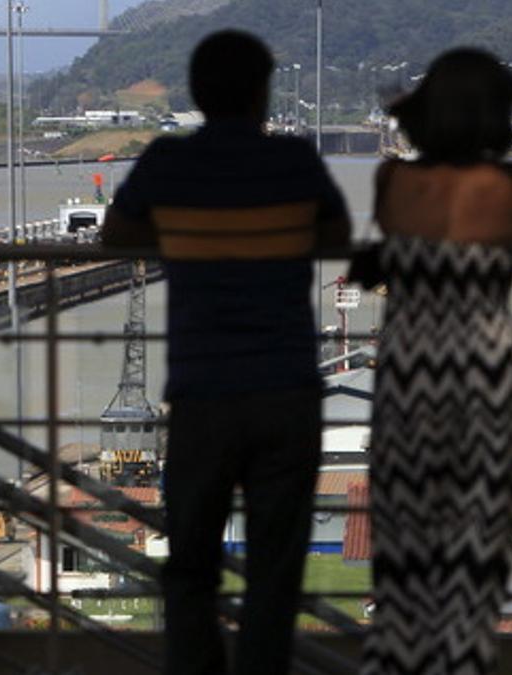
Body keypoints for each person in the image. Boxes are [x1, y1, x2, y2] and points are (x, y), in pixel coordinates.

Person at [101, 31, 351, 675]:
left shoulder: (166, 163)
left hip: (202, 393)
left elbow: (116, 234)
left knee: (189, 564)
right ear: (264, 93)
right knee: (275, 567)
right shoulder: (294, 160)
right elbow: (338, 234)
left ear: (197, 93)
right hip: (287, 390)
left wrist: (187, 233)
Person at [355, 48, 512, 675]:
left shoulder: (392, 182)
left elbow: (388, 248)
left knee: (406, 531)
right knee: (479, 535)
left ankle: (398, 658)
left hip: (407, 367)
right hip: (485, 366)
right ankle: (462, 659)